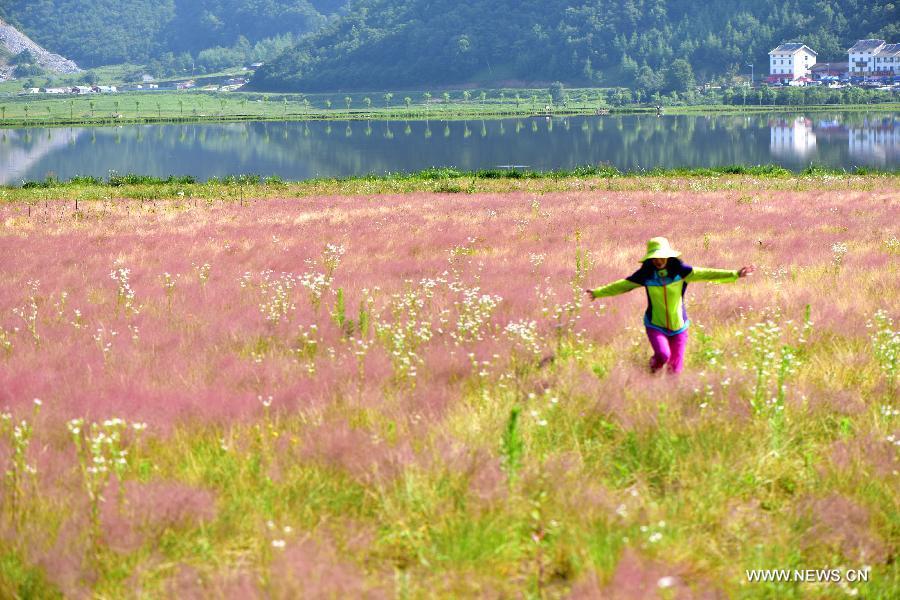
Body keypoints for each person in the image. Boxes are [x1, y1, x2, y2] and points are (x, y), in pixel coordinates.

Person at [585, 237, 755, 374]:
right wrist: (598, 293)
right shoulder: (645, 275)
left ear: (668, 256)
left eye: (661, 256)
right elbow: (622, 285)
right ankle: (651, 370)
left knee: (675, 371)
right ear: (650, 259)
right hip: (655, 324)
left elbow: (707, 273)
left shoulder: (682, 272)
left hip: (679, 327)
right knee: (662, 355)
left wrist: (735, 274)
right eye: (654, 258)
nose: (658, 260)